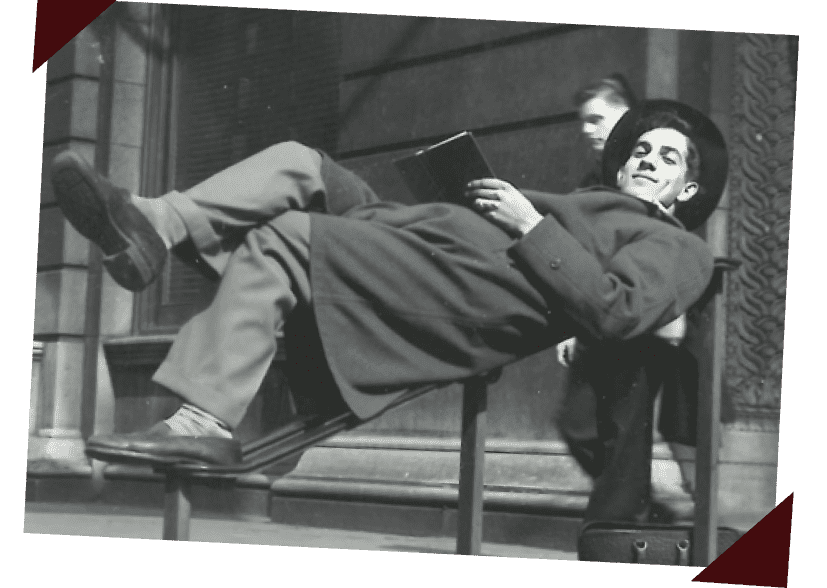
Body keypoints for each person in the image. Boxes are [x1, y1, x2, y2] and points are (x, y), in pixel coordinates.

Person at [50, 99, 727, 518]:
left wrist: (527, 223)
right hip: (417, 234)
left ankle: (203, 417)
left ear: (688, 187)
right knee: (297, 164)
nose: (644, 158)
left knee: (283, 238)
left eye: (665, 156)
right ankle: (153, 226)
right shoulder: (592, 197)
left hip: (455, 286)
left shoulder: (675, 245)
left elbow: (615, 310)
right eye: (639, 148)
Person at [558, 77, 697, 524]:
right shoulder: (594, 182)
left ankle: (622, 519)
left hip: (643, 316)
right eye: (585, 122)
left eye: (598, 119)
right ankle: (637, 503)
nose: (589, 130)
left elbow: (672, 255)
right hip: (597, 314)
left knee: (624, 431)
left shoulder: (661, 180)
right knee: (579, 425)